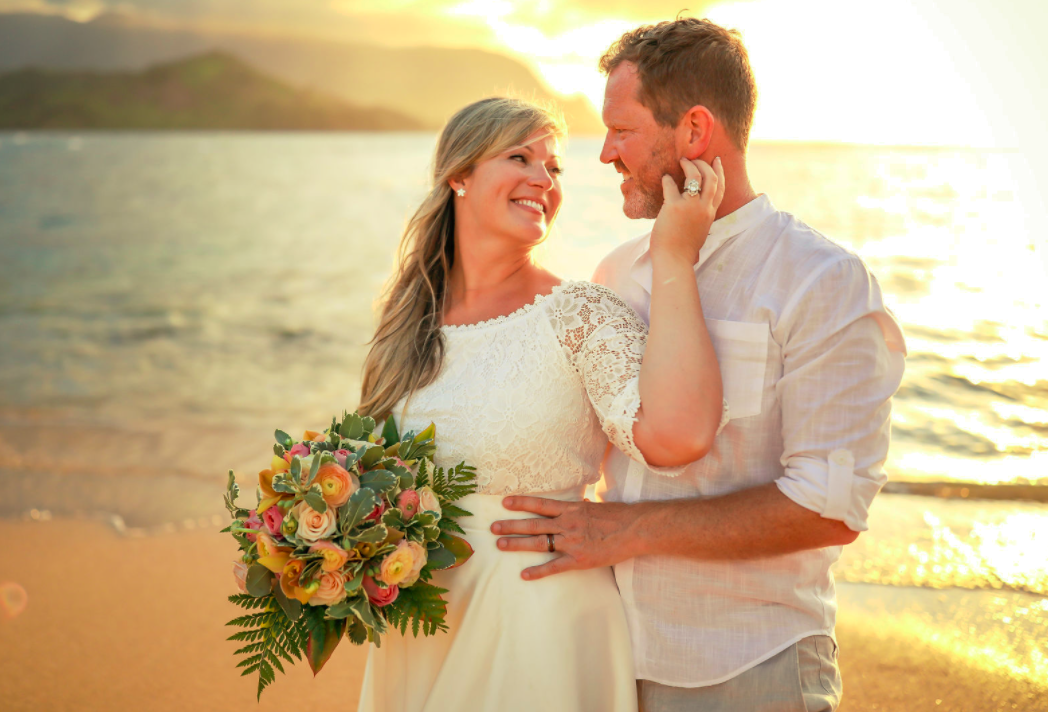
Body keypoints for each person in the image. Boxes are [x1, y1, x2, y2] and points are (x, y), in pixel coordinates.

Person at [493, 18, 907, 712]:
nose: (605, 156)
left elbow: (829, 507)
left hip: (751, 666)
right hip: (605, 658)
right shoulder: (618, 273)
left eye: (621, 131)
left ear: (692, 131)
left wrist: (625, 532)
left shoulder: (821, 281)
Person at [354, 96, 727, 712]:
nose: (542, 181)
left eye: (554, 169)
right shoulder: (405, 326)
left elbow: (678, 436)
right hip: (421, 626)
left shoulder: (580, 314)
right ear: (460, 175)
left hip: (539, 620)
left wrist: (674, 256)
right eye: (520, 157)